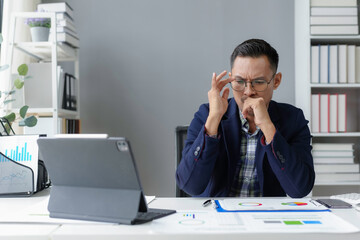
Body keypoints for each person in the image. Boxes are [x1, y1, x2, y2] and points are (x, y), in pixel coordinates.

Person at [176, 39, 314, 198]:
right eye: (240, 81)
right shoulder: (207, 114)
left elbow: (300, 189)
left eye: (259, 82)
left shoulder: (293, 120)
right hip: (216, 215)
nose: (248, 91)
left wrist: (268, 127)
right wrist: (214, 119)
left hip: (266, 217)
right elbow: (189, 185)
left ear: (276, 81)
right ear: (230, 79)